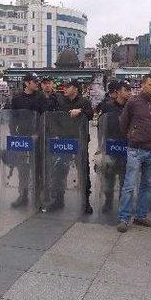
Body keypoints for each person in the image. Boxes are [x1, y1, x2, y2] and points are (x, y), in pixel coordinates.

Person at [116, 74, 151, 232]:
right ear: (143, 85)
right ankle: (124, 218)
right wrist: (132, 136)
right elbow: (123, 123)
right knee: (129, 185)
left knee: (147, 185)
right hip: (136, 149)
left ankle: (141, 216)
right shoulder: (133, 102)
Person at [54, 79, 94, 214]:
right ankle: (59, 199)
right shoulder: (61, 101)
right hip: (64, 142)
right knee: (60, 170)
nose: (64, 89)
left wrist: (81, 111)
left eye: (68, 87)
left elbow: (91, 114)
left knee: (83, 170)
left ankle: (85, 201)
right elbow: (55, 119)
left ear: (76, 89)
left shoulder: (84, 102)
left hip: (79, 141)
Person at [7, 72, 45, 208]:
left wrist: (38, 134)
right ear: (27, 83)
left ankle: (37, 197)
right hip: (22, 138)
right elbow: (13, 118)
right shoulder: (17, 98)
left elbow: (44, 118)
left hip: (36, 138)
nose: (37, 84)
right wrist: (14, 135)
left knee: (37, 169)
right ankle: (23, 196)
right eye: (35, 82)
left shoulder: (40, 97)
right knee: (22, 168)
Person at [99, 80, 132, 213]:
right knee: (109, 175)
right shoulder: (107, 106)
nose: (129, 93)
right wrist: (101, 144)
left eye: (130, 90)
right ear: (118, 92)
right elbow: (101, 125)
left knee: (125, 176)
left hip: (126, 146)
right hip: (111, 145)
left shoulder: (131, 107)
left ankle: (122, 204)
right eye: (126, 90)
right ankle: (108, 201)